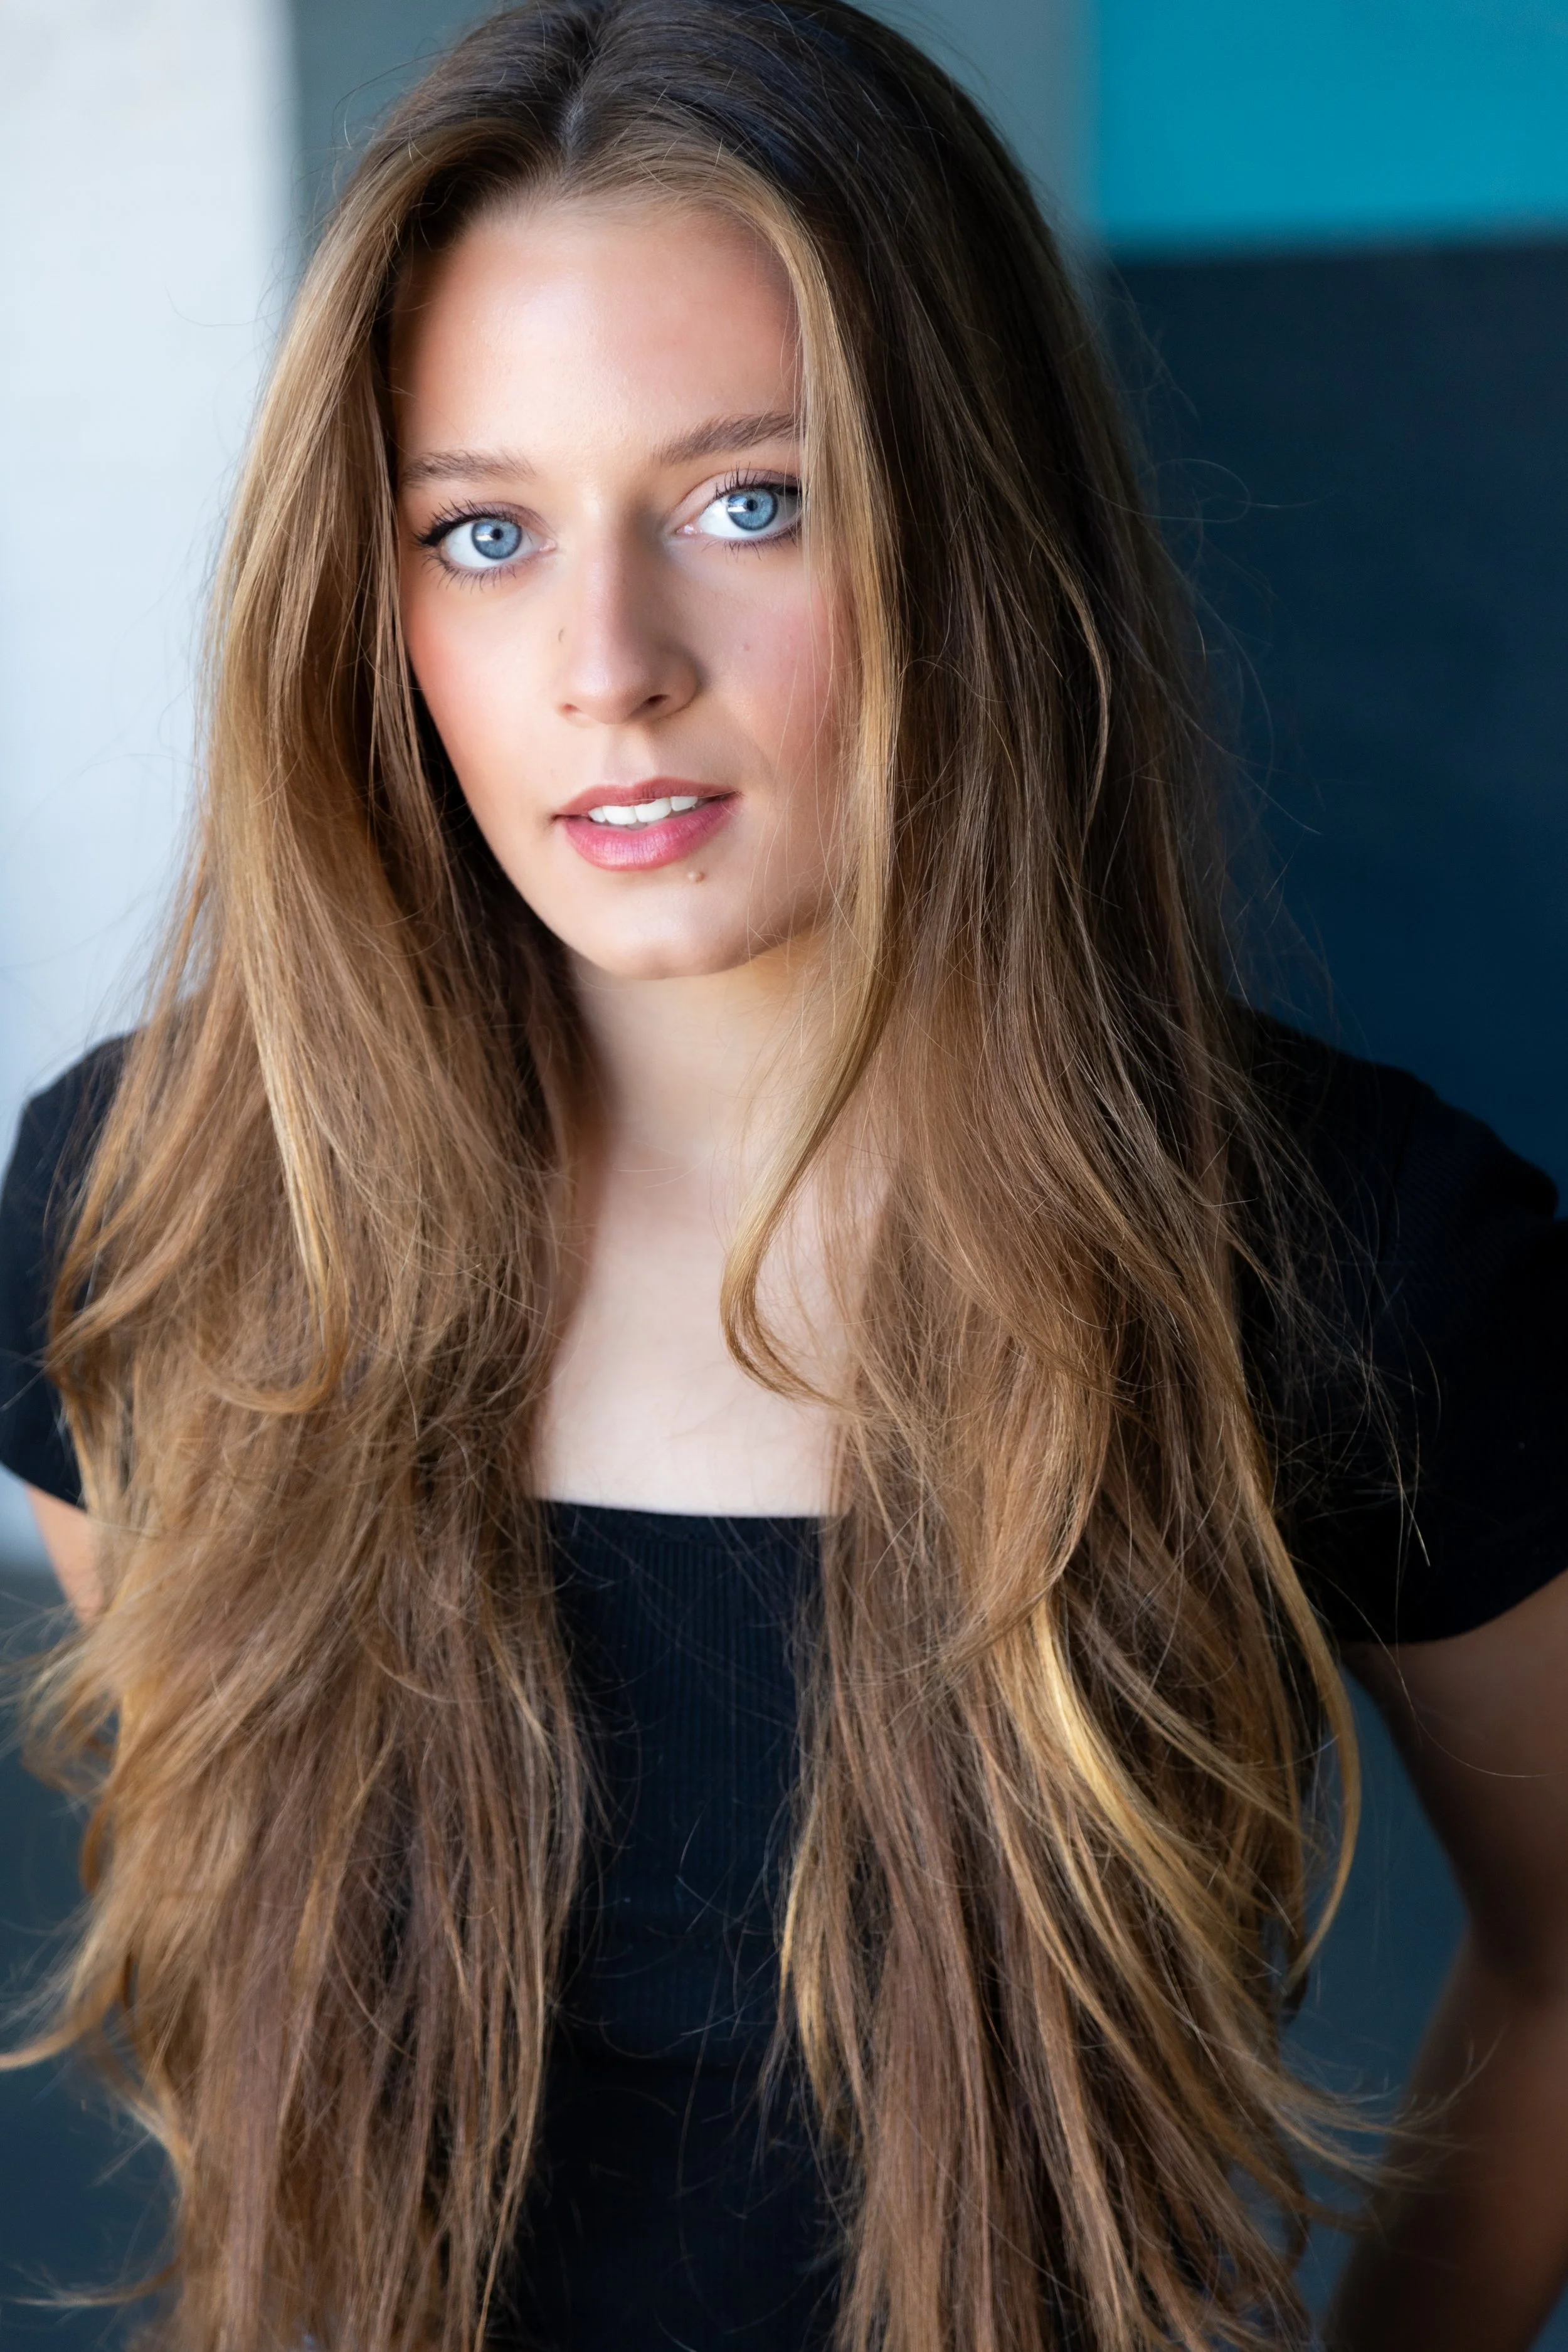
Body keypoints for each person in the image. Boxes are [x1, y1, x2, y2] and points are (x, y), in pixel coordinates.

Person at [1, 3, 1566, 2346]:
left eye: (752, 499)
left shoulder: (1349, 1252)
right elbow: (243, 2010)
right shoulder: (162, 1208)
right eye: (484, 531)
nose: (605, 664)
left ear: (974, 521)